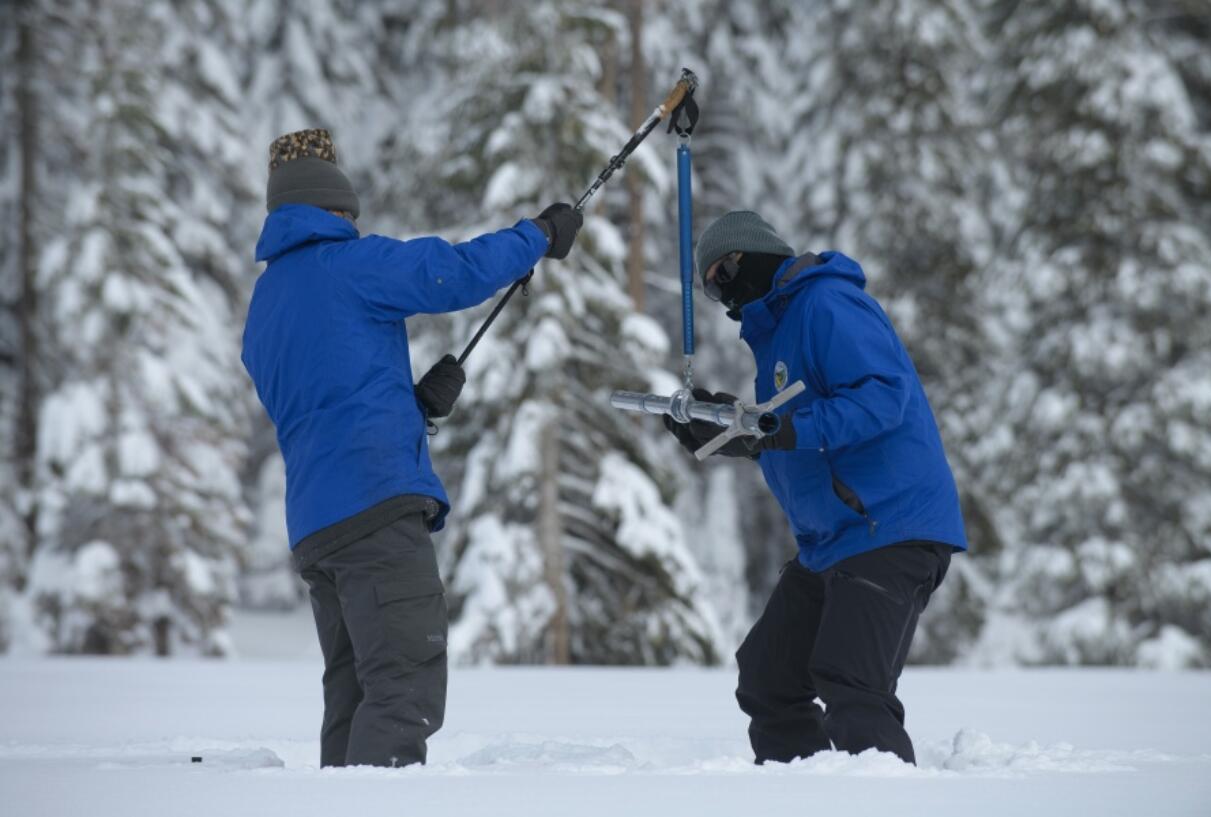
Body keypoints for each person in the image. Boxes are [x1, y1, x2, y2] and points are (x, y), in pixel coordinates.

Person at [241, 128, 582, 768]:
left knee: (354, 694)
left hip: (318, 527)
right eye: (348, 211)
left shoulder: (265, 306)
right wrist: (536, 234)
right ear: (333, 209)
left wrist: (413, 406)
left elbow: (320, 400)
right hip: (375, 510)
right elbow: (452, 272)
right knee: (404, 691)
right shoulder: (350, 263)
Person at [663, 211, 967, 765]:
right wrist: (733, 433)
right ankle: (801, 793)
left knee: (850, 681)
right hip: (833, 540)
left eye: (724, 275)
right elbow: (793, 444)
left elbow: (881, 397)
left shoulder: (825, 303)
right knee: (768, 676)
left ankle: (881, 800)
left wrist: (776, 429)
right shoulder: (777, 336)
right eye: (710, 290)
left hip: (888, 526)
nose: (723, 294)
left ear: (753, 257)